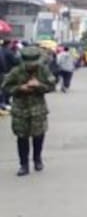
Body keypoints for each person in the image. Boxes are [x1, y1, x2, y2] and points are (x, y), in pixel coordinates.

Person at [3, 45, 57, 175]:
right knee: (22, 137)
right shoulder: (16, 72)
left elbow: (52, 86)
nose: (31, 66)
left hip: (38, 109)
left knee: (38, 135)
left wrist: (39, 86)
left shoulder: (43, 70)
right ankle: (24, 164)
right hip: (20, 109)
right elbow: (5, 87)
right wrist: (19, 88)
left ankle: (37, 159)